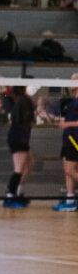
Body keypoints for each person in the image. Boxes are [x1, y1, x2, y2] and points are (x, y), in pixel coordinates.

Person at [1, 84, 39, 208]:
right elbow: (28, 118)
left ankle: (17, 192)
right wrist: (37, 111)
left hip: (21, 137)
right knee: (19, 168)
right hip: (18, 138)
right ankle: (10, 196)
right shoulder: (24, 100)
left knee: (29, 165)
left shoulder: (21, 100)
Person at [54, 82, 78, 211]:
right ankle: (70, 200)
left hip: (75, 140)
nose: (70, 82)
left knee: (70, 170)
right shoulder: (71, 101)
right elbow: (65, 120)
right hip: (67, 139)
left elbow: (69, 122)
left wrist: (68, 124)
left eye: (74, 79)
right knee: (67, 171)